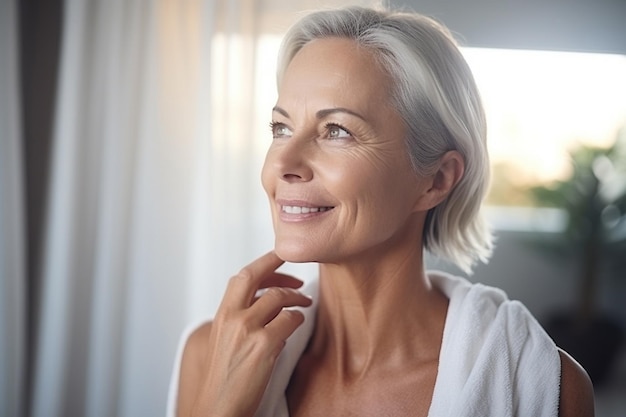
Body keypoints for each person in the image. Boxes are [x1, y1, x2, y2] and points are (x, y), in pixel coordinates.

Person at [167, 6, 594, 417]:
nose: (281, 164)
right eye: (282, 128)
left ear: (437, 180)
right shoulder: (210, 356)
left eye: (336, 131)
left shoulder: (549, 388)